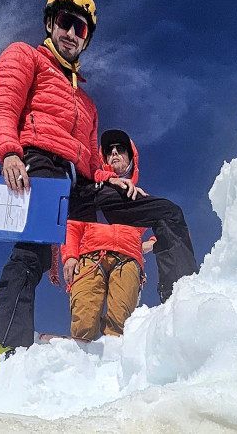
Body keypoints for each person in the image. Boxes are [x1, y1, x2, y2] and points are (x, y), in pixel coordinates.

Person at [0, 0, 199, 370]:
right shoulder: (25, 57)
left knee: (166, 213)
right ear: (50, 23)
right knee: (30, 255)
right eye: (66, 23)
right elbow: (2, 106)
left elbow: (88, 157)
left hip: (82, 184)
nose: (71, 34)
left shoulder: (87, 102)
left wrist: (108, 178)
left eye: (80, 29)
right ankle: (6, 347)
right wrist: (10, 153)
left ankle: (182, 312)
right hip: (39, 163)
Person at [62, 129, 152, 341]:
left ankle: (112, 367)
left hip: (128, 261)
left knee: (120, 325)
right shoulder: (92, 192)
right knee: (84, 319)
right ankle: (80, 363)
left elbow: (172, 226)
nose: (114, 153)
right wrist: (70, 256)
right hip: (90, 257)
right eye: (109, 151)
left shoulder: (140, 198)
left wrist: (150, 244)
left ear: (131, 158)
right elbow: (73, 225)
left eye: (120, 149)